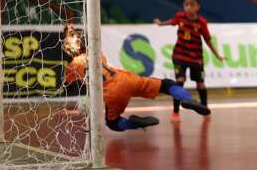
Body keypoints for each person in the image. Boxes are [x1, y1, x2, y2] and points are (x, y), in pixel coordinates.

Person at [62, 24, 209, 132]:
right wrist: (72, 31)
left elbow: (66, 85)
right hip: (127, 78)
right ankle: (187, 98)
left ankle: (135, 123)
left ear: (69, 51)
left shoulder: (72, 67)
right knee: (166, 84)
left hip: (112, 93)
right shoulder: (97, 54)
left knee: (112, 123)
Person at [154, 0, 224, 122]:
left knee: (200, 85)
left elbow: (208, 40)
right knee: (179, 82)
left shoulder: (202, 22)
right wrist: (160, 24)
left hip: (196, 58)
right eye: (186, 4)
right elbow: (172, 21)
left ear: (198, 7)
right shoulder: (180, 16)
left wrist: (217, 55)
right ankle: (175, 112)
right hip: (180, 55)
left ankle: (205, 108)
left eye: (191, 5)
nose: (188, 7)